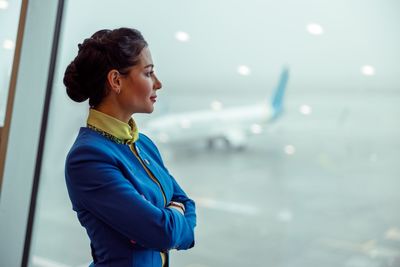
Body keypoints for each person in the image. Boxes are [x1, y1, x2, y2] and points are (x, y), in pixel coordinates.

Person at [63, 27, 196, 267]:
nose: (158, 83)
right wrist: (174, 216)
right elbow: (162, 233)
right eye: (148, 73)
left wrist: (171, 216)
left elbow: (187, 204)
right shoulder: (88, 158)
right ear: (116, 81)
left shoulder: (144, 144)